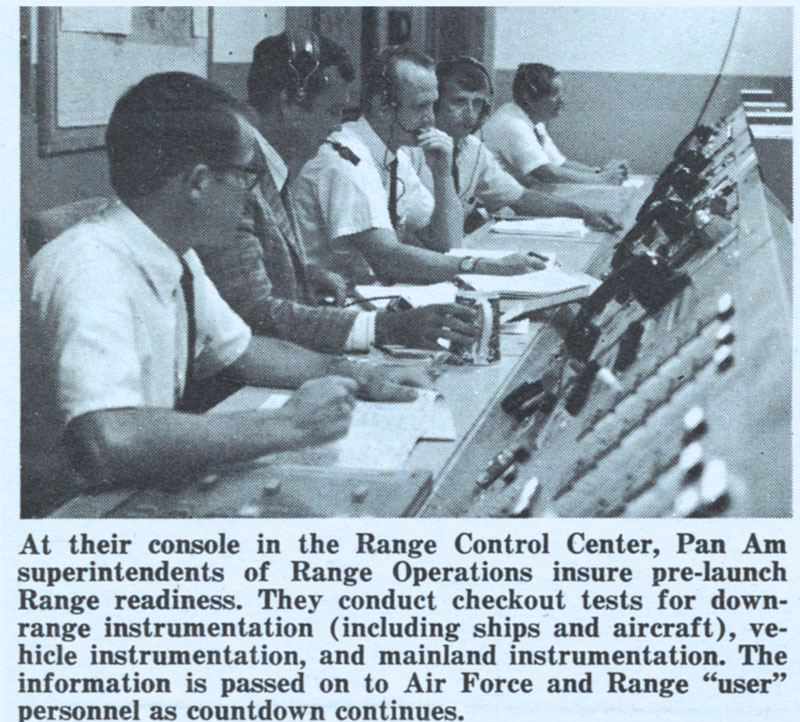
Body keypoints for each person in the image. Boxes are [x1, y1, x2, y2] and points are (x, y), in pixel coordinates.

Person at [21, 72, 427, 518]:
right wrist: (286, 425)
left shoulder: (171, 250)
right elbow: (108, 437)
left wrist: (358, 375)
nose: (251, 193)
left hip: (135, 490)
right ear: (198, 182)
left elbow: (242, 350)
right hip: (74, 515)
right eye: (245, 173)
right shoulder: (89, 267)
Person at [196, 32, 480, 354]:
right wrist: (385, 327)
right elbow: (255, 313)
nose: (336, 127)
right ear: (288, 102)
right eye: (332, 111)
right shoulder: (238, 179)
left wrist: (306, 273)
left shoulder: (275, 165)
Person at [290, 46, 540, 285]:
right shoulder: (345, 158)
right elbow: (386, 258)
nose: (431, 118)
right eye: (421, 106)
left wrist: (442, 174)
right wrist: (483, 266)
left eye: (433, 105)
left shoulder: (396, 155)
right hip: (327, 306)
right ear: (382, 105)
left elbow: (448, 243)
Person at [404, 57, 621, 232]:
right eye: (458, 102)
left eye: (477, 103)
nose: (470, 113)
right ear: (435, 104)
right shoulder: (409, 151)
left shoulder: (473, 149)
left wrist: (584, 212)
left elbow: (520, 197)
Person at [483, 63, 629, 187]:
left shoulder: (532, 121)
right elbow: (548, 174)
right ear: (528, 97)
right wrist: (602, 179)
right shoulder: (513, 124)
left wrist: (599, 172)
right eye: (554, 94)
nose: (562, 101)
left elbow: (560, 164)